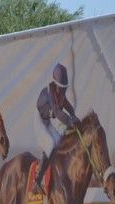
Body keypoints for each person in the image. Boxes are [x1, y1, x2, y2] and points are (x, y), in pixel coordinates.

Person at [33, 62, 80, 194]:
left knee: (60, 142)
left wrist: (74, 116)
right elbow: (58, 113)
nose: (63, 90)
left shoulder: (60, 93)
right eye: (61, 87)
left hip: (46, 122)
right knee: (50, 144)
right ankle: (37, 181)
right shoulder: (49, 93)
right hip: (38, 122)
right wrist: (70, 121)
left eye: (65, 88)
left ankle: (55, 174)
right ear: (55, 84)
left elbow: (67, 106)